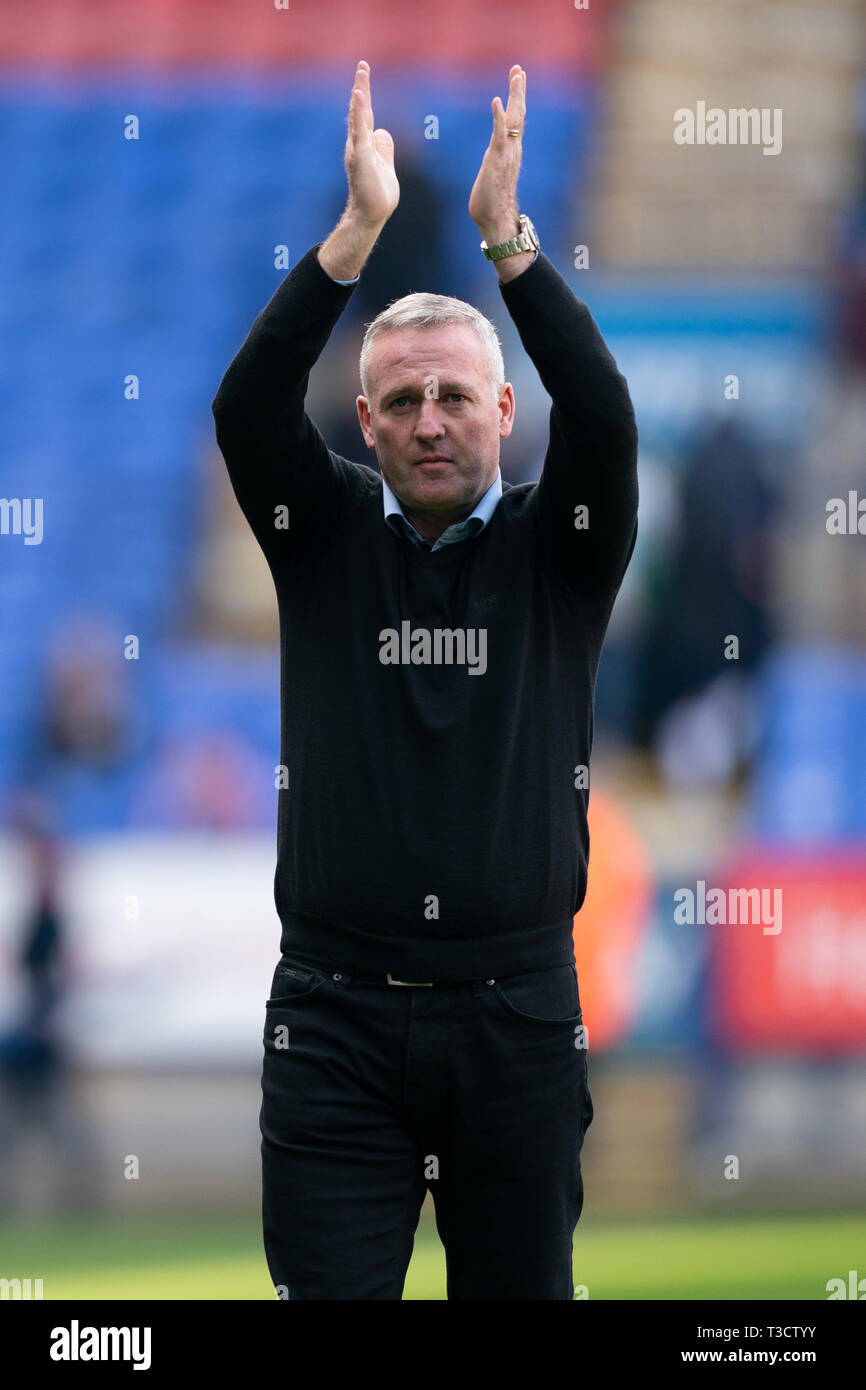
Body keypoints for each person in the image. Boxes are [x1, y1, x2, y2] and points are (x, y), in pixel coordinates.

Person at [212, 61, 638, 1300]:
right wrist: (353, 238)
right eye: (402, 401)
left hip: (514, 1016)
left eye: (456, 395)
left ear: (505, 410)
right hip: (332, 1020)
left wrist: (509, 246)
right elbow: (245, 408)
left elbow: (605, 417)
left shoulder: (560, 551)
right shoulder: (324, 533)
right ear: (363, 417)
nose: (431, 419)